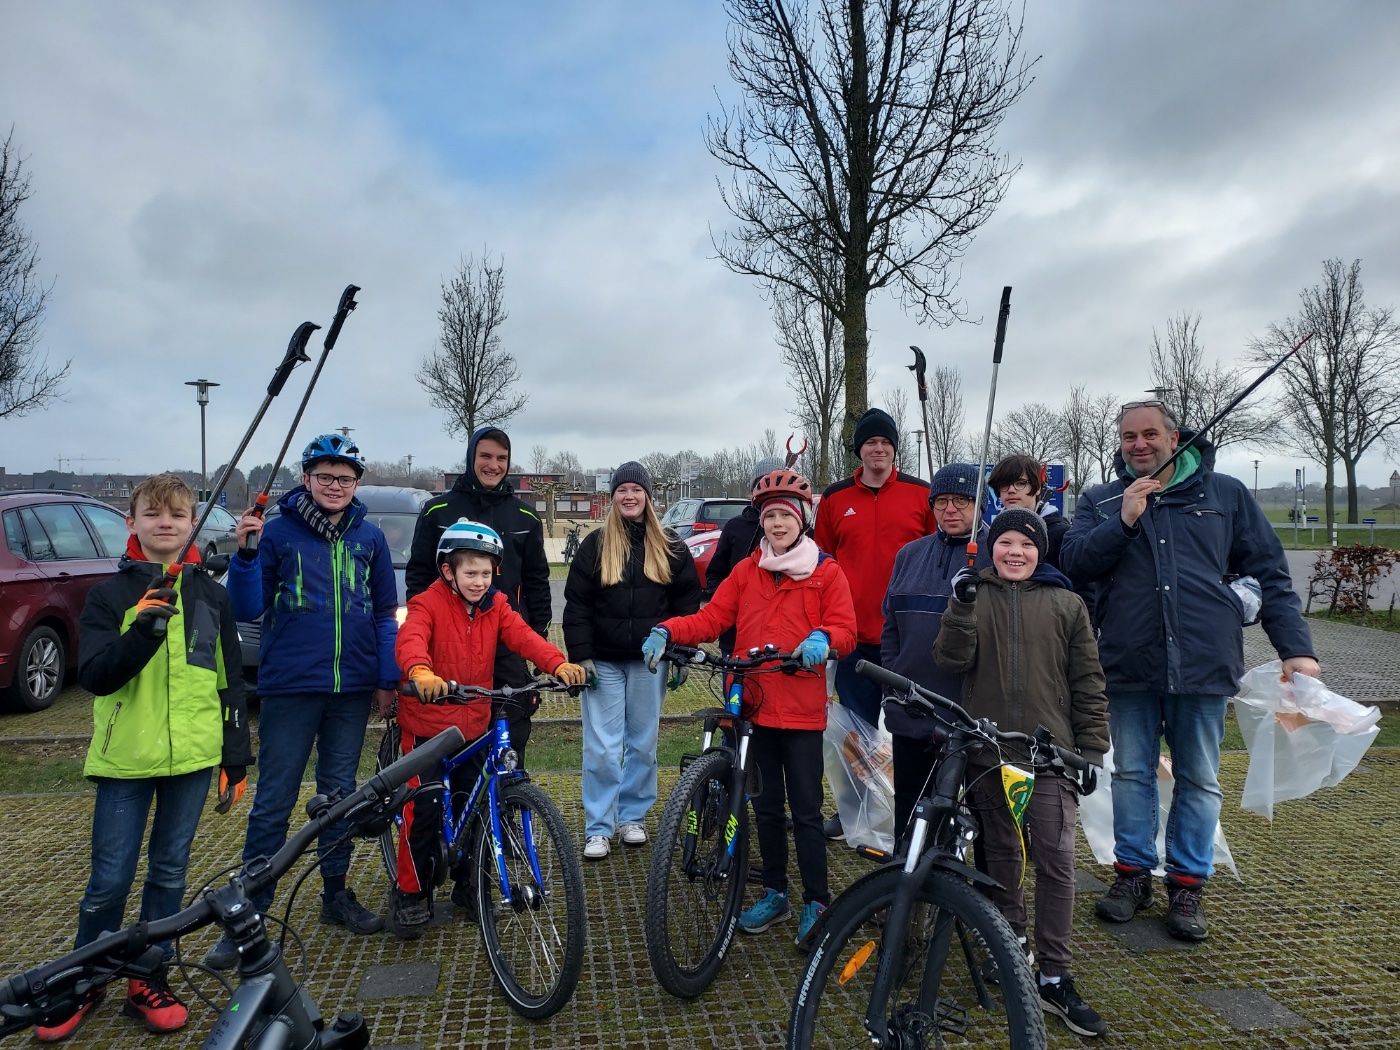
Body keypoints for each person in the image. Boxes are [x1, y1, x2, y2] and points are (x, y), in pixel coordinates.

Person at [1062, 402, 1319, 941]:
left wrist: (1296, 649)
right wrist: (1124, 520)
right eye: (1129, 436)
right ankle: (1132, 875)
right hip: (1128, 663)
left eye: (1149, 434)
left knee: (1199, 778)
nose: (1139, 444)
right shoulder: (1101, 500)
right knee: (1131, 774)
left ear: (1174, 437)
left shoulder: (1225, 495)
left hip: (1203, 662)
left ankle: (1186, 884)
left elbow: (1270, 573)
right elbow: (1075, 563)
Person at [37, 474, 252, 1042]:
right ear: (131, 522)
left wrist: (235, 756)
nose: (166, 523)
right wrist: (142, 629)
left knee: (169, 872)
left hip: (193, 760)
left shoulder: (212, 595)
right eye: (153, 513)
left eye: (177, 515)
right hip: (126, 762)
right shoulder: (109, 596)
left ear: (193, 525)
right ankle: (83, 979)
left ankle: (147, 976)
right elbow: (97, 676)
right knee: (109, 880)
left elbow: (229, 682)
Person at [209, 434, 400, 968]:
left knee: (340, 797)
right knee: (275, 800)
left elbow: (384, 612)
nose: (335, 486)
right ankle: (251, 913)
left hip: (351, 689)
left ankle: (335, 894)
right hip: (290, 688)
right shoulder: (276, 532)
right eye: (325, 477)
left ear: (357, 482)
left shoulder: (369, 538)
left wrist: (386, 678)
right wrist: (246, 555)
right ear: (307, 479)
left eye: (345, 478)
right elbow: (247, 606)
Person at [642, 470, 857, 945]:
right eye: (770, 516)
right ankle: (775, 893)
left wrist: (824, 638)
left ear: (802, 521)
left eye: (786, 516)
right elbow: (712, 618)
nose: (777, 524)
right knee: (766, 807)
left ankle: (816, 901)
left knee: (806, 810)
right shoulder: (747, 571)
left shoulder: (826, 572)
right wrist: (669, 630)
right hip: (753, 706)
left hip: (800, 711)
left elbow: (846, 628)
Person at [934, 508, 1109, 1038]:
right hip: (990, 755)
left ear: (1040, 551)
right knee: (1003, 857)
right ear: (991, 548)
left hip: (1051, 756)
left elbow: (1088, 680)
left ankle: (1055, 975)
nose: (1016, 552)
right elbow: (949, 660)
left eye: (1027, 544)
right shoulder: (973, 594)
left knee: (1056, 859)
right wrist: (961, 606)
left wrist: (1091, 749)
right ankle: (1011, 950)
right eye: (1006, 542)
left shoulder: (1067, 604)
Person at [389, 521, 586, 937]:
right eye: (470, 573)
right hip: (428, 727)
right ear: (448, 572)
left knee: (477, 807)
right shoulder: (427, 603)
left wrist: (557, 663)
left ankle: (469, 887)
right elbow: (411, 639)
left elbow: (525, 637)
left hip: (473, 723)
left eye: (485, 573)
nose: (479, 582)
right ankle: (409, 893)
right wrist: (420, 671)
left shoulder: (496, 605)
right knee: (422, 809)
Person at [563, 462, 701, 860]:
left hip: (649, 662)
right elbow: (577, 605)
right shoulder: (595, 545)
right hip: (603, 662)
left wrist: (680, 652)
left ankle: (633, 816)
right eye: (622, 490)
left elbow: (686, 604)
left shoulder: (671, 546)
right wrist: (581, 656)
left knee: (642, 744)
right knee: (602, 748)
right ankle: (599, 826)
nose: (629, 496)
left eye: (636, 490)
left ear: (648, 497)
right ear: (613, 498)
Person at [813, 408, 937, 838]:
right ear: (859, 450)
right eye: (870, 443)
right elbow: (822, 562)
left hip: (910, 640)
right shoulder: (835, 498)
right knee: (855, 731)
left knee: (914, 730)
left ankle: (916, 813)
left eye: (885, 442)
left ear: (895, 449)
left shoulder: (922, 495)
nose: (878, 449)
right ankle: (853, 812)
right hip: (854, 638)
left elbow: (938, 555)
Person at [405, 426, 551, 761]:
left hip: (506, 641)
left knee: (512, 725)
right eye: (485, 456)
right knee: (450, 730)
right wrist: (426, 628)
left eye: (502, 458)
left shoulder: (526, 516)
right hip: (451, 642)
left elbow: (537, 581)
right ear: (471, 457)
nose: (493, 465)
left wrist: (538, 637)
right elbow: (419, 576)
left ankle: (509, 789)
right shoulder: (437, 510)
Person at [880, 463, 991, 839]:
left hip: (971, 716)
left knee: (980, 817)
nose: (950, 509)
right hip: (913, 708)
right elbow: (891, 626)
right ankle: (907, 871)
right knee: (912, 811)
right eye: (941, 501)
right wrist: (894, 680)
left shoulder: (997, 553)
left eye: (961, 500)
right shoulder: (909, 555)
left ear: (979, 504)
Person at [989, 453, 1095, 618]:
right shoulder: (993, 533)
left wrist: (1084, 627)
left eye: (1020, 483)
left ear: (1038, 487)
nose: (1011, 490)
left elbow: (1084, 587)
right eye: (1004, 484)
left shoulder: (1061, 533)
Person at [705, 455, 783, 654]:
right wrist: (726, 607)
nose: (768, 489)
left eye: (774, 482)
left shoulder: (797, 531)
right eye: (761, 483)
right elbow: (716, 573)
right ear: (752, 489)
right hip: (735, 636)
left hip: (781, 640)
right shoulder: (735, 528)